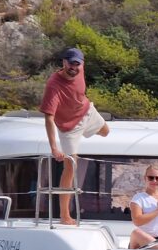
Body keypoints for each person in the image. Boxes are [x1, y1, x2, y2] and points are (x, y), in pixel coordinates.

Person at [40, 47, 110, 225]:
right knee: (71, 165)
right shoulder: (53, 85)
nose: (74, 68)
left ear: (82, 64)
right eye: (70, 63)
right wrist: (54, 148)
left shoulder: (80, 69)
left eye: (77, 64)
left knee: (106, 132)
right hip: (68, 127)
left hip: (86, 111)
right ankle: (65, 215)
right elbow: (49, 118)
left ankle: (87, 134)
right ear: (63, 63)